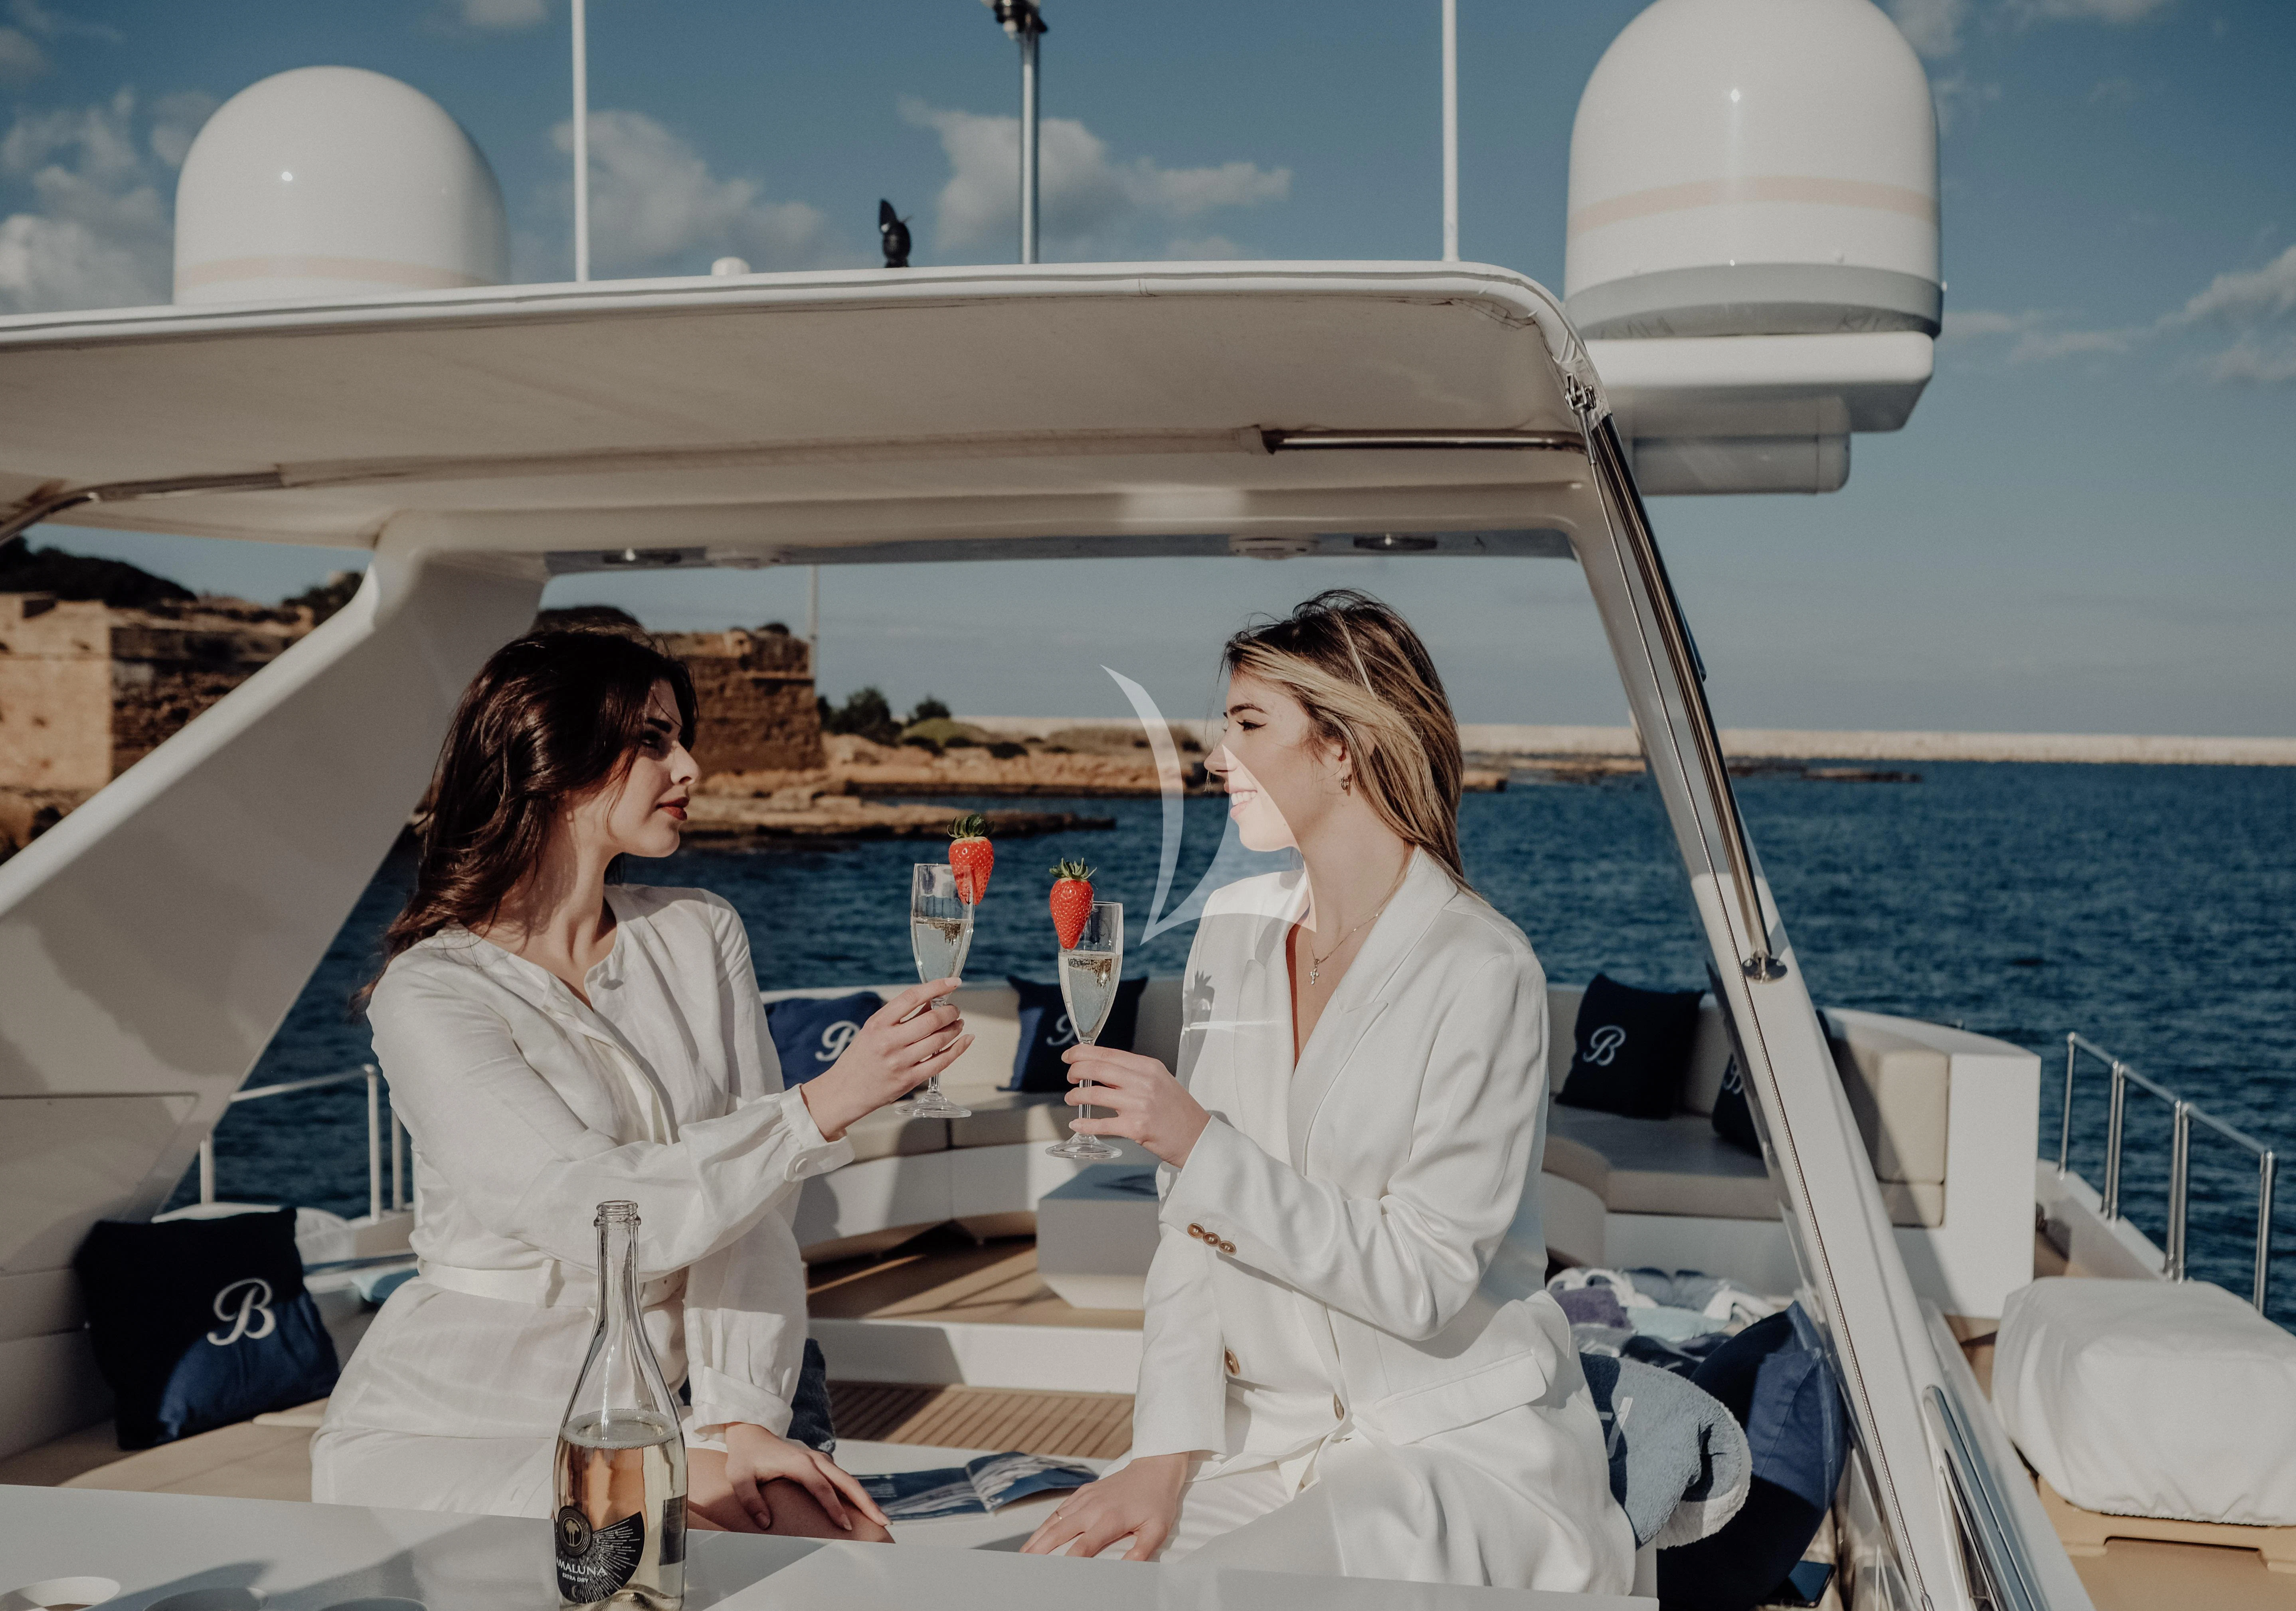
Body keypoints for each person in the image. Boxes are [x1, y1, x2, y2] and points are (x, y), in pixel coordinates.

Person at [1020, 591, 1628, 1592]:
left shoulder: (1484, 966)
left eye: (1249, 724)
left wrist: (1199, 1142)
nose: (1218, 754)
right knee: (1055, 1582)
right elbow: (1192, 1232)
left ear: (1342, 746)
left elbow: (1424, 1277)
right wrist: (1164, 1457)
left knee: (1214, 1597)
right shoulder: (1233, 929)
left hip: (1448, 1451)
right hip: (1274, 1443)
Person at [312, 629, 973, 1538]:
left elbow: (756, 1219)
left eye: (680, 737)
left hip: (668, 1393)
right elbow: (589, 1210)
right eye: (655, 740)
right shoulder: (429, 990)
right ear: (555, 757)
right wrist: (821, 1104)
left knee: (848, 1538)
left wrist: (740, 1418)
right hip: (464, 1414)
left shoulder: (700, 931)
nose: (692, 765)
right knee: (676, 1540)